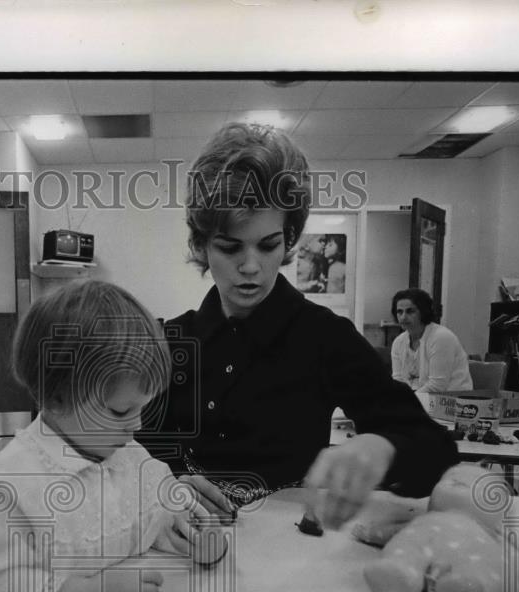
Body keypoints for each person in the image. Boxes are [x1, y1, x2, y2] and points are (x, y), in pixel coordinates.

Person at [138, 122, 458, 530]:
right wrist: (160, 487)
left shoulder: (325, 337)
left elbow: (436, 451)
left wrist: (382, 447)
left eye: (268, 245)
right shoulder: (172, 342)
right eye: (229, 247)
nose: (250, 267)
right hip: (183, 555)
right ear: (201, 245)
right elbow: (130, 456)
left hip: (290, 562)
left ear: (289, 239)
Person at [0, 281, 208, 592]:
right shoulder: (8, 485)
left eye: (143, 408)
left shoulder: (126, 455)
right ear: (59, 397)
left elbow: (154, 511)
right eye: (121, 410)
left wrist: (188, 529)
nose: (137, 424)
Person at [390, 288, 473, 393]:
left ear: (423, 311)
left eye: (410, 311)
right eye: (399, 312)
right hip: (419, 400)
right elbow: (397, 381)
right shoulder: (398, 342)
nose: (403, 317)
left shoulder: (441, 337)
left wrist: (408, 402)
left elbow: (437, 386)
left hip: (452, 401)